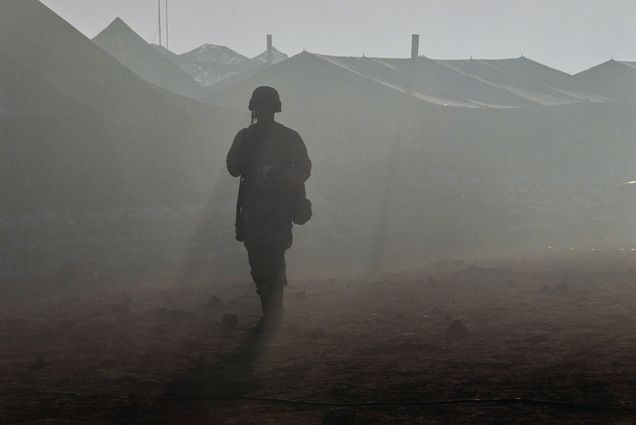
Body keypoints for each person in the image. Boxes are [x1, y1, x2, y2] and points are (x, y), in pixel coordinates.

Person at [226, 86, 311, 333]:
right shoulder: (248, 137)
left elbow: (303, 169)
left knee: (271, 261)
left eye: (266, 109)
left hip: (276, 210)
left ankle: (273, 315)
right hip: (256, 210)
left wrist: (283, 177)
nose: (263, 113)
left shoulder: (286, 138)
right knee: (260, 263)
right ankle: (271, 313)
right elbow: (233, 167)